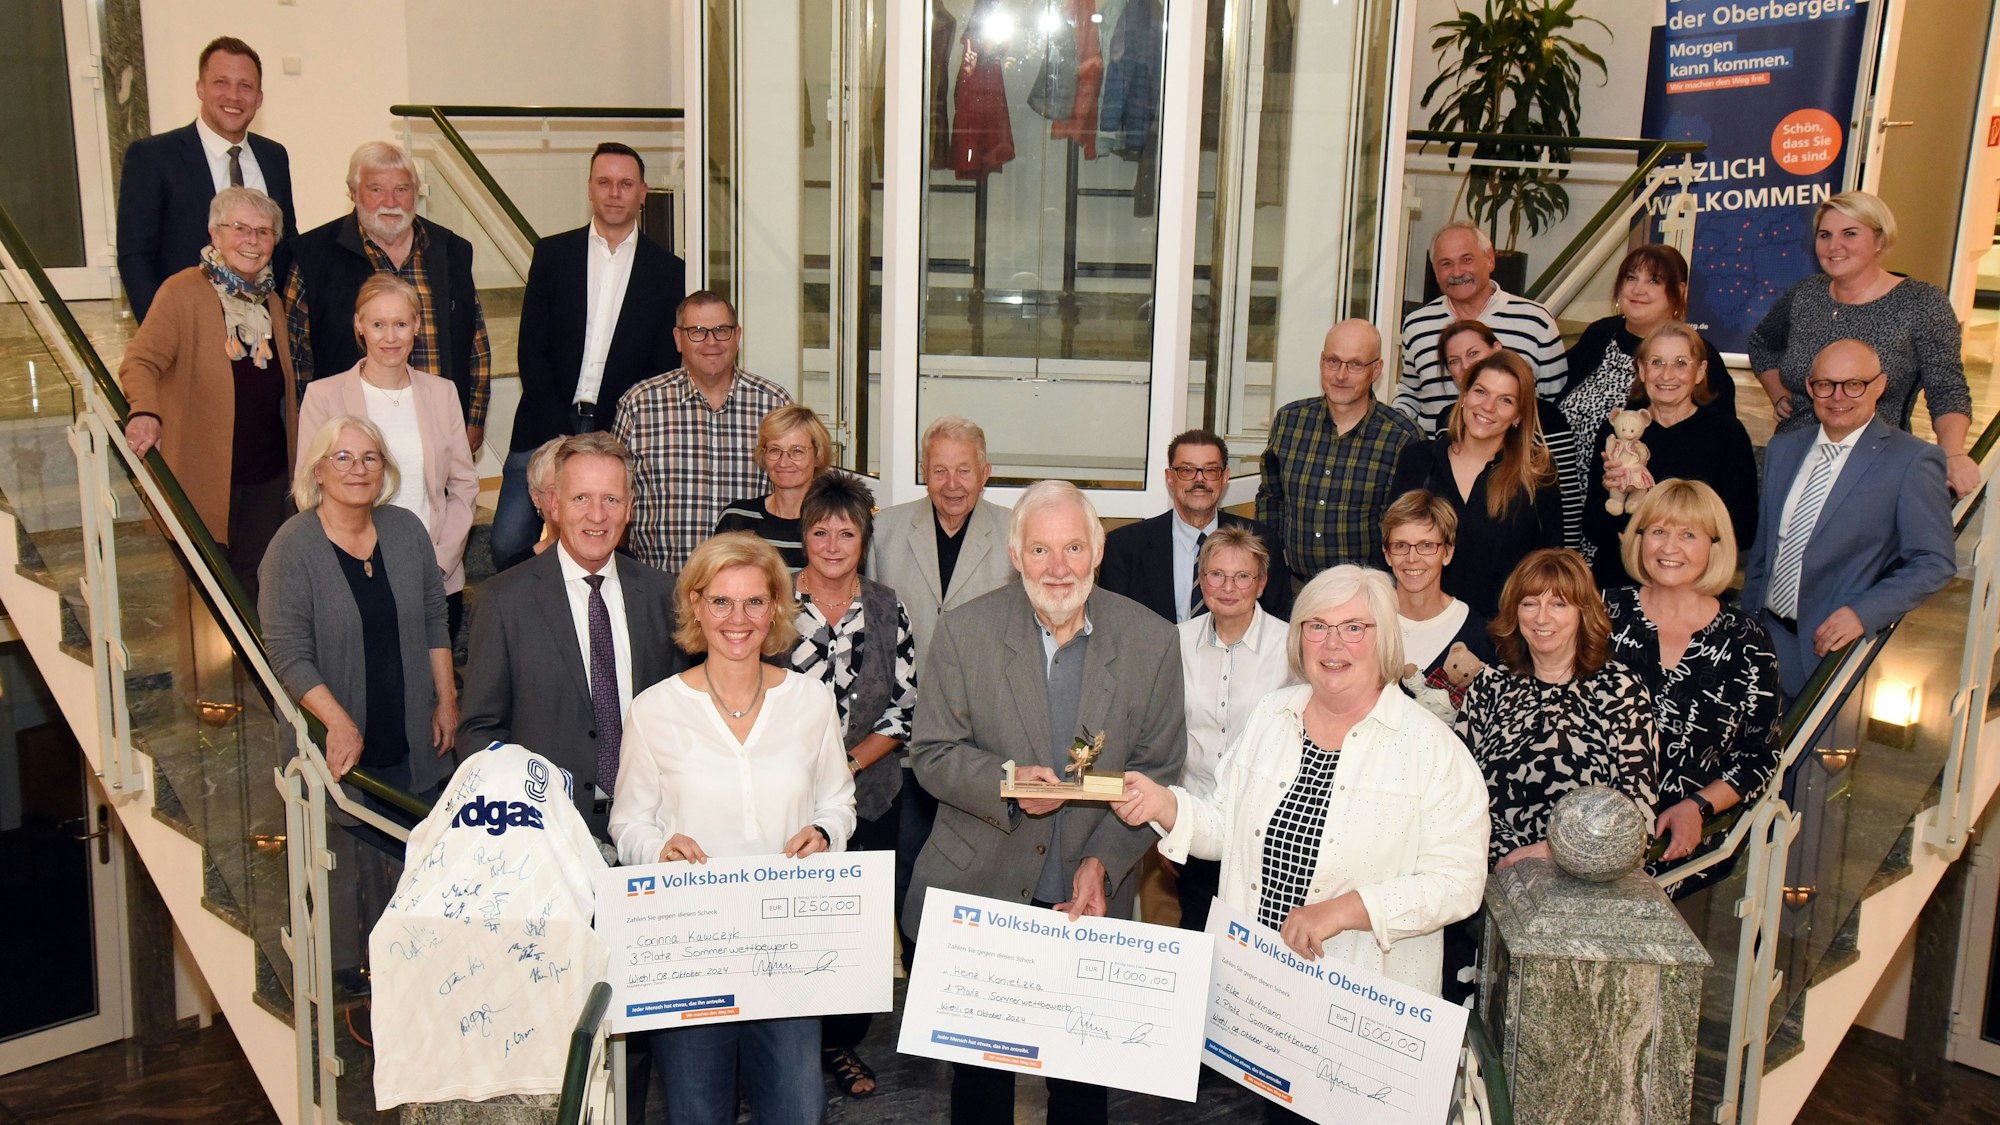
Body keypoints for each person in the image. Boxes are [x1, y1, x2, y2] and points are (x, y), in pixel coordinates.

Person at [903, 480, 1186, 1125]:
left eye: (1072, 549)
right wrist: (1004, 781)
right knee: (980, 1089)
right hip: (983, 886)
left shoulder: (1150, 641)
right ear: (1014, 553)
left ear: (1098, 551)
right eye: (1039, 550)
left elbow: (1160, 769)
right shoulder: (965, 632)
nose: (1058, 568)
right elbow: (932, 753)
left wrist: (1105, 864)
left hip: (1087, 890)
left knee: (1082, 1091)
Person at [1115, 566, 1487, 1019]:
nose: (1333, 644)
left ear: (1385, 638)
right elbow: (1226, 828)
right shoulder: (1272, 715)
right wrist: (1165, 804)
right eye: (1317, 627)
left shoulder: (1432, 749)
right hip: (1256, 993)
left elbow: (1459, 884)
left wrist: (1346, 910)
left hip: (1360, 1008)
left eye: (1353, 628)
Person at [609, 532, 855, 1125]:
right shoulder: (655, 710)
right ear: (695, 605)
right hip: (691, 950)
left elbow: (839, 802)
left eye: (753, 601)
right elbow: (627, 821)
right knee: (697, 1114)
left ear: (775, 607)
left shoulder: (811, 701)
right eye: (720, 601)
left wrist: (824, 833)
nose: (737, 618)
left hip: (789, 948)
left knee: (798, 1110)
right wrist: (656, 847)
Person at [258, 415, 455, 982]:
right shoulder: (292, 547)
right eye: (342, 458)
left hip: (412, 735)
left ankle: (415, 986)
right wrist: (340, 725)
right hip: (339, 746)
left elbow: (435, 618)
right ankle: (356, 993)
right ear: (317, 470)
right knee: (352, 876)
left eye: (369, 458)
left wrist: (446, 699)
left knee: (414, 868)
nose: (357, 469)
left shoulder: (405, 530)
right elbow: (288, 654)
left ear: (385, 471)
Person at [457, 432, 692, 839]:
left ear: (630, 509)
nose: (597, 515)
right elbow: (480, 730)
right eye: (581, 498)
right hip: (546, 833)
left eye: (611, 500)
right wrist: (524, 815)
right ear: (553, 505)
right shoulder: (503, 600)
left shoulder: (663, 594)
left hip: (655, 829)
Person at [786, 473, 917, 1099]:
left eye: (847, 532)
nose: (833, 544)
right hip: (786, 797)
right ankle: (785, 1045)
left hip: (873, 795)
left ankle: (841, 1041)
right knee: (793, 922)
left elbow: (903, 706)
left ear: (863, 539)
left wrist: (850, 766)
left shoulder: (889, 605)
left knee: (857, 926)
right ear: (802, 534)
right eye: (820, 531)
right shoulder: (772, 601)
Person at [496, 142, 685, 569]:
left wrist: (607, 439)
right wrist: (559, 433)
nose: (614, 192)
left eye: (625, 184)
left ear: (643, 192)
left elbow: (660, 365)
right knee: (508, 541)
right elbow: (532, 348)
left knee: (607, 546)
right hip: (544, 422)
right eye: (604, 182)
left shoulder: (670, 272)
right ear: (589, 189)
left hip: (618, 428)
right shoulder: (552, 255)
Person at [1741, 339, 1958, 698]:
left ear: (1880, 385)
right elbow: (1766, 549)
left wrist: (1862, 613)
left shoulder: (1912, 461)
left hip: (1832, 654)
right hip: (1764, 639)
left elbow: (1934, 561)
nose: (1838, 397)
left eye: (1854, 384)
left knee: (1809, 754)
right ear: (1811, 387)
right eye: (1825, 384)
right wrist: (1749, 622)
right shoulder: (1785, 448)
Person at [868, 415, 1015, 940]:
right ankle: (913, 967)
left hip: (984, 735)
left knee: (976, 867)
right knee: (908, 864)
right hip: (905, 735)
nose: (952, 484)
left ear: (985, 472)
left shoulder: (1017, 532)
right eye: (939, 471)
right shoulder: (883, 530)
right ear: (923, 473)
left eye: (964, 470)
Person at [119, 186, 298, 596]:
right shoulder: (182, 291)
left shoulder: (270, 298)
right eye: (240, 228)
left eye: (264, 232)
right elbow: (140, 361)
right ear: (215, 234)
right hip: (207, 476)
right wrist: (145, 410)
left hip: (267, 478)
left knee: (261, 592)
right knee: (208, 600)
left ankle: (260, 664)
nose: (252, 241)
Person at [1605, 481, 1782, 891]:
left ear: (1713, 546)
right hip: (1590, 841)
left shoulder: (1747, 640)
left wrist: (1698, 806)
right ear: (1639, 538)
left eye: (1688, 535)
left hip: (1684, 856)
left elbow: (1759, 756)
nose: (1670, 548)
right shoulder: (1600, 613)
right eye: (1658, 532)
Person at [1747, 191, 1977, 496]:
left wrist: (1952, 454)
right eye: (1825, 235)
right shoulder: (1805, 296)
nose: (1834, 246)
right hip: (1794, 462)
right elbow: (1762, 342)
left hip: (1874, 470)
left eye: (1850, 234)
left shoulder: (1920, 303)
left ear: (1880, 240)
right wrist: (1778, 395)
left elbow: (1947, 389)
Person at [297, 274, 480, 637]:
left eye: (400, 324)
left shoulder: (442, 393)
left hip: (434, 574)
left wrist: (440, 562)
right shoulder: (323, 396)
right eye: (378, 324)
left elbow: (464, 485)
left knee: (435, 686)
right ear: (359, 325)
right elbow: (309, 489)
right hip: (356, 576)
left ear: (416, 325)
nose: (390, 337)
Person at [1457, 548, 1658, 871]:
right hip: (1489, 876)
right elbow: (1456, 794)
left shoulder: (1620, 690)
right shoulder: (1489, 686)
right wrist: (1504, 860)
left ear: (1583, 612)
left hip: (1585, 882)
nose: (1541, 618)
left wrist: (1550, 854)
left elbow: (1637, 818)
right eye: (1530, 603)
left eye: (1558, 604)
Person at [285, 141, 493, 451]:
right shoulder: (313, 255)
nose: (390, 201)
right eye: (376, 190)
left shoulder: (451, 250)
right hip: (350, 435)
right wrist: (313, 423)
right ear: (353, 193)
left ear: (416, 193)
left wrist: (473, 418)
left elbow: (474, 341)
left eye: (401, 189)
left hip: (436, 431)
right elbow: (296, 353)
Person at [1167, 526, 1295, 933]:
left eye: (1242, 576)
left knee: (1261, 951)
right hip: (1200, 822)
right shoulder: (1175, 643)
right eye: (1216, 574)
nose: (1228, 587)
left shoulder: (1293, 646)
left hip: (1270, 832)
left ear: (1261, 583)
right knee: (1198, 934)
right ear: (1201, 580)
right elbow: (1163, 735)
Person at [116, 36, 296, 323]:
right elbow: (135, 256)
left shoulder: (274, 156)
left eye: (245, 86)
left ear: (259, 97)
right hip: (188, 328)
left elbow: (285, 245)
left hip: (263, 333)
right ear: (200, 88)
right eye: (221, 83)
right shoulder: (153, 157)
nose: (233, 96)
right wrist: (163, 331)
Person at [613, 290, 794, 571]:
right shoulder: (639, 404)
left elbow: (797, 492)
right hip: (660, 587)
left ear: (737, 335)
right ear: (678, 338)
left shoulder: (774, 403)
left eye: (721, 330)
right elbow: (615, 496)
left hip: (748, 593)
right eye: (697, 331)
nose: (711, 341)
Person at [1581, 323, 1759, 589]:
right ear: (1641, 369)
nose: (1667, 375)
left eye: (1680, 363)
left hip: (1692, 587)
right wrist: (1615, 495)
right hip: (1621, 583)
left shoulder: (1726, 434)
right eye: (1656, 362)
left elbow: (1742, 529)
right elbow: (1593, 526)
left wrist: (1676, 546)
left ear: (1699, 372)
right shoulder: (1620, 429)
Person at [1390, 351, 1562, 618]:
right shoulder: (1418, 460)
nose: (1488, 407)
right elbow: (1392, 542)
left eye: (1505, 400)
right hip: (1421, 626)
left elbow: (1549, 564)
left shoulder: (1537, 475)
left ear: (1518, 415)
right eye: (1481, 392)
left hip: (1500, 635)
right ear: (1464, 397)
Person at [1256, 319, 1423, 580]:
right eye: (1333, 361)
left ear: (1376, 370)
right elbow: (1270, 498)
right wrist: (1271, 563)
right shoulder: (1290, 421)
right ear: (1322, 362)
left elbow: (1409, 525)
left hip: (1369, 595)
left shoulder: (1402, 437)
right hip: (1295, 587)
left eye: (1356, 364)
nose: (1341, 375)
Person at [1099, 428, 1291, 622]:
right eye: (1186, 470)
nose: (1199, 479)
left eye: (1210, 470)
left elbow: (1277, 620)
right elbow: (1111, 626)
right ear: (1170, 478)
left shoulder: (1261, 541)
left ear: (1225, 478)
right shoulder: (1124, 547)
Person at [1396, 220, 1565, 434]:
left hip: (1511, 461)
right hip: (1435, 457)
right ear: (1435, 272)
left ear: (1490, 260)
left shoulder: (1536, 321)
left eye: (1466, 260)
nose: (1457, 272)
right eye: (1445, 264)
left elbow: (1555, 400)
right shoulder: (1417, 324)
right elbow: (1410, 392)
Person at [1558, 244, 1734, 437]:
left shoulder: (1696, 353)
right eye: (1631, 278)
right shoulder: (1600, 334)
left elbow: (1721, 437)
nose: (1637, 289)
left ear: (1679, 290)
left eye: (1653, 281)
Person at [1436, 317, 1582, 549]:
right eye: (1454, 360)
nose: (1465, 366)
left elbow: (1559, 532)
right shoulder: (1427, 453)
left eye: (1473, 354)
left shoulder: (1539, 462)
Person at [1380, 490, 1494, 711]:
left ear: (1447, 553)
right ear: (1387, 554)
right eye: (1401, 546)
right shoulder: (1366, 621)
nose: (1412, 558)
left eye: (1426, 545)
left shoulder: (1477, 634)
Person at [712, 404, 835, 569]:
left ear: (818, 455)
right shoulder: (737, 518)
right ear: (763, 455)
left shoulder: (835, 523)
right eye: (775, 450)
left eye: (797, 451)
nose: (784, 462)